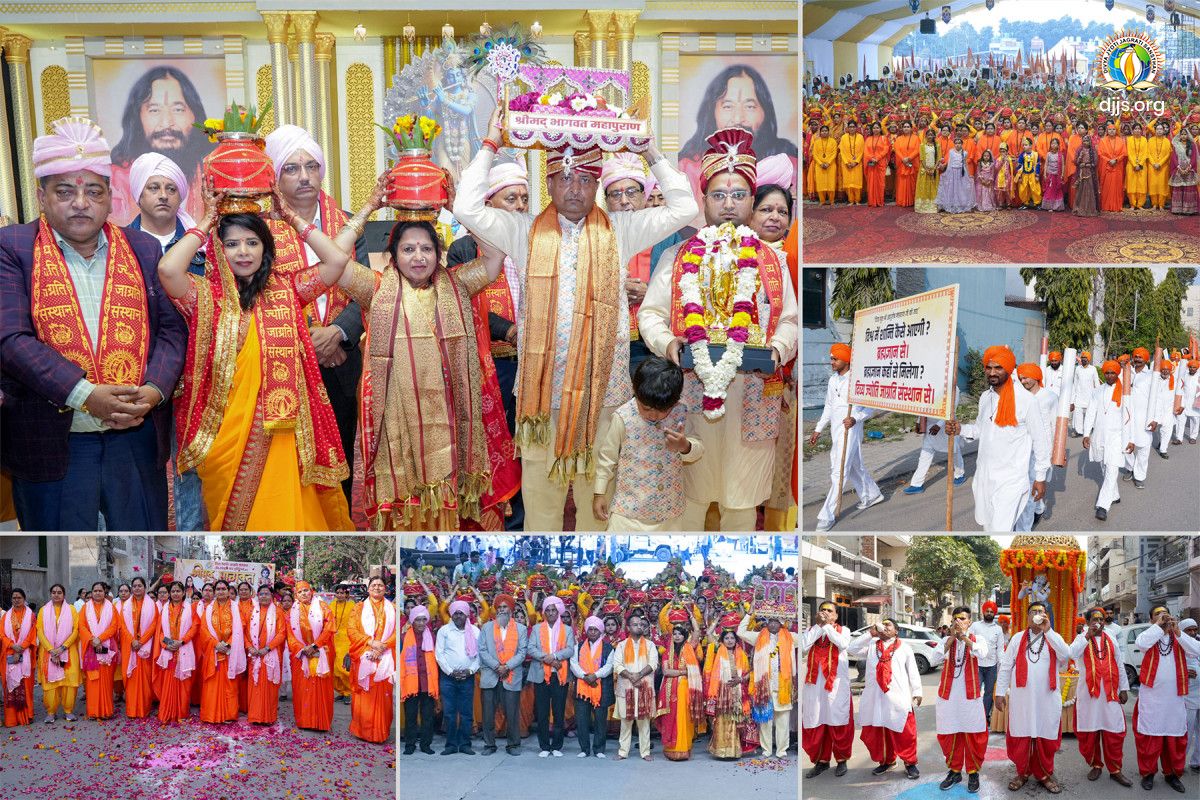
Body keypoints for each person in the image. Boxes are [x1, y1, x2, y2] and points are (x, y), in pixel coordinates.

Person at [454, 108, 698, 532]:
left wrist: (650, 150)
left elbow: (684, 207)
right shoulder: (522, 230)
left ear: (597, 186)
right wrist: (491, 143)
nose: (574, 189)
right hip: (540, 397)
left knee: (597, 507)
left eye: (585, 179)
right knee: (543, 510)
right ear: (548, 182)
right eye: (564, 178)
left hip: (604, 395)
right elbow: (464, 205)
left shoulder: (621, 229)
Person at [0, 117, 187, 531]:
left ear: (109, 197)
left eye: (93, 191)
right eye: (65, 191)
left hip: (135, 440)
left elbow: (172, 331)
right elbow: (10, 340)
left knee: (145, 544)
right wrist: (86, 394)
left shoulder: (142, 248)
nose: (81, 202)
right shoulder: (13, 247)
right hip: (53, 439)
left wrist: (154, 391)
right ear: (42, 197)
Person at [158, 176, 355, 530]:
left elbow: (337, 261)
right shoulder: (206, 296)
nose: (244, 252)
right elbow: (168, 269)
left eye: (252, 242)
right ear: (218, 249)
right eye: (232, 244)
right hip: (224, 433)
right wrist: (206, 221)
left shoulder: (289, 289)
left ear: (266, 248)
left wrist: (290, 215)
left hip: (283, 430)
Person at [638, 127, 796, 531]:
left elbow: (790, 321)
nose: (729, 205)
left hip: (752, 393)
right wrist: (669, 343)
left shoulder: (771, 260)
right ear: (703, 200)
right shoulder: (678, 256)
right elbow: (651, 315)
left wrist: (777, 349)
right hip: (691, 391)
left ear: (751, 200)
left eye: (739, 195)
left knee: (741, 510)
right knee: (690, 506)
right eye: (719, 195)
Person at [334, 200, 516, 530]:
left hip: (452, 415)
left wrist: (457, 205)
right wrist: (369, 207)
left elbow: (495, 256)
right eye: (408, 249)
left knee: (459, 510)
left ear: (438, 253)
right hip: (400, 416)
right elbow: (335, 260)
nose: (418, 257)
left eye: (426, 249)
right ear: (393, 256)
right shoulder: (375, 288)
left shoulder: (458, 284)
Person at [264, 125, 367, 506]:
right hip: (286, 360)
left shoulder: (351, 222)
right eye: (291, 168)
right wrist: (310, 339)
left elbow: (374, 289)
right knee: (289, 460)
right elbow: (263, 294)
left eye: (312, 166)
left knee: (341, 453)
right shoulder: (260, 230)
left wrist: (339, 332)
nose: (305, 176)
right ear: (275, 175)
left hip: (343, 358)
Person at [445, 161, 529, 531]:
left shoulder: (536, 242)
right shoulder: (464, 248)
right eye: (511, 198)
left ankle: (525, 518)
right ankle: (498, 520)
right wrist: (509, 330)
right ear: (490, 203)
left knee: (527, 444)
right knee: (497, 445)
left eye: (525, 198)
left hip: (531, 363)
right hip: (490, 365)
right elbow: (464, 299)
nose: (520, 206)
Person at [944, 346, 1049, 532]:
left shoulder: (1026, 400)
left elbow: (1040, 441)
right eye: (989, 367)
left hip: (1012, 479)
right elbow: (980, 429)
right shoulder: (985, 397)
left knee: (1000, 530)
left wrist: (1040, 477)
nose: (992, 372)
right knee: (989, 528)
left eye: (998, 368)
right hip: (985, 476)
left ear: (1008, 369)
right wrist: (960, 429)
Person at [592, 356, 703, 531]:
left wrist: (685, 446)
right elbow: (607, 457)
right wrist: (599, 492)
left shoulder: (681, 412)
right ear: (636, 393)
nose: (653, 415)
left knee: (668, 556)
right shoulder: (623, 416)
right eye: (646, 408)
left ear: (674, 402)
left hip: (669, 513)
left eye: (662, 410)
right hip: (627, 513)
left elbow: (698, 449)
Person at [109, 66, 213, 224]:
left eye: (178, 109)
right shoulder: (115, 180)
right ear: (138, 118)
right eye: (154, 110)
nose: (166, 123)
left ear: (195, 116)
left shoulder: (211, 175)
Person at [995, 601, 1071, 793]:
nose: (1037, 614)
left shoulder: (1053, 638)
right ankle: (1022, 772)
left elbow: (1066, 656)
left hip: (1047, 698)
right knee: (1022, 735)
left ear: (1046, 616)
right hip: (1023, 700)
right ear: (1027, 617)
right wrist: (999, 693)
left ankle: (1044, 774)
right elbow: (1005, 666)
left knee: (1045, 736)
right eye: (1033, 612)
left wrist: (1049, 631)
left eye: (1041, 612)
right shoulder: (1017, 638)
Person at [811, 343, 882, 530]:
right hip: (836, 430)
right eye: (831, 358)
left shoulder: (857, 381)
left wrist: (856, 418)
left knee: (839, 470)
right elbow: (828, 406)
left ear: (846, 360)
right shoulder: (833, 380)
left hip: (851, 429)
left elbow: (870, 407)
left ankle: (827, 515)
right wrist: (818, 428)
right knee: (853, 466)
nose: (832, 361)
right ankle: (872, 494)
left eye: (835, 358)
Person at [1133, 605, 1200, 792]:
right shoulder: (1149, 635)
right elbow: (1141, 644)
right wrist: (1159, 626)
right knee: (1150, 738)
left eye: (1165, 614)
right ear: (1151, 619)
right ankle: (1148, 774)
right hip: (1152, 698)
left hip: (1174, 699)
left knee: (1174, 738)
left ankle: (1172, 774)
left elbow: (1196, 650)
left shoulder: (1179, 638)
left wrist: (1178, 631)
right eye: (1157, 615)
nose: (1162, 617)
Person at [848, 619, 921, 780]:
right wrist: (869, 634)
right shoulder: (872, 645)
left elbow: (913, 671)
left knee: (904, 732)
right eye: (883, 624)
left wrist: (917, 691)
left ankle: (910, 763)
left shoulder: (905, 648)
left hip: (897, 697)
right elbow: (852, 648)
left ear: (896, 631)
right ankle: (887, 761)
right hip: (875, 697)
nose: (884, 626)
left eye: (889, 625)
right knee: (878, 732)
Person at [1068, 607, 1132, 786]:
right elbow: (1071, 654)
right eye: (1094, 619)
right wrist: (1087, 635)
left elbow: (1119, 663)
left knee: (1114, 731)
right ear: (1088, 622)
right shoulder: (1081, 638)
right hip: (1089, 695)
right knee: (1090, 732)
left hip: (1110, 694)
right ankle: (1096, 764)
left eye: (1101, 619)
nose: (1099, 622)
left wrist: (1124, 688)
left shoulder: (1111, 638)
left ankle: (1115, 770)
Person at [934, 607, 988, 793]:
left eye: (962, 618)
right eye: (955, 618)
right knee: (950, 734)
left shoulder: (976, 639)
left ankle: (973, 773)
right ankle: (954, 771)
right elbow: (935, 658)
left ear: (969, 621)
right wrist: (951, 638)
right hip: (948, 698)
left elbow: (983, 653)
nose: (958, 621)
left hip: (969, 698)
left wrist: (964, 637)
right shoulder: (945, 640)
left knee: (973, 735)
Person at [739, 612, 796, 760]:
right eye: (770, 621)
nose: (773, 624)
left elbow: (807, 639)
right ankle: (766, 750)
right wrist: (749, 614)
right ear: (766, 622)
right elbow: (741, 632)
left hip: (783, 685)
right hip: (764, 686)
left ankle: (782, 751)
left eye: (776, 621)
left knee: (783, 721)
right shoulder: (758, 637)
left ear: (781, 623)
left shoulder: (791, 637)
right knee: (765, 721)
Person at [347, 577, 396, 744]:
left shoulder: (393, 609)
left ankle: (380, 732)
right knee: (364, 696)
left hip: (385, 656)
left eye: (380, 585)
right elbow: (351, 630)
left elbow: (397, 631)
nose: (377, 587)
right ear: (368, 589)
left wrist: (383, 646)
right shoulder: (358, 608)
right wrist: (370, 643)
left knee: (384, 696)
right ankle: (362, 731)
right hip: (364, 655)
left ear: (385, 589)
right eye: (373, 585)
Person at [479, 594, 528, 755]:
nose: (501, 610)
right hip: (490, 676)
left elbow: (522, 653)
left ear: (511, 610)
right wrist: (496, 666)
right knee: (488, 713)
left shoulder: (520, 629)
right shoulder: (487, 627)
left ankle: (513, 745)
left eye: (505, 607)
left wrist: (506, 666)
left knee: (512, 712)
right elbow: (483, 650)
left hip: (511, 675)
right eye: (499, 608)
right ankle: (489, 745)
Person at [528, 595, 574, 757]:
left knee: (559, 710)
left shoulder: (567, 630)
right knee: (542, 711)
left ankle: (556, 746)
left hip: (559, 675)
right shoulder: (537, 628)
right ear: (544, 613)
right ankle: (544, 746)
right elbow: (531, 649)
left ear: (559, 612)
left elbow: (570, 650)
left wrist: (554, 657)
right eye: (548, 610)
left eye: (554, 610)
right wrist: (548, 659)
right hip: (541, 674)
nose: (551, 613)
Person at [287, 580, 334, 732]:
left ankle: (321, 722)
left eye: (306, 590)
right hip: (302, 655)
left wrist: (315, 646)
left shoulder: (323, 607)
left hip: (320, 653)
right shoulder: (291, 612)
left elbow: (329, 628)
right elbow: (290, 635)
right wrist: (303, 649)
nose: (304, 594)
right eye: (300, 592)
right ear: (296, 595)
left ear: (312, 591)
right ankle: (305, 721)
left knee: (320, 688)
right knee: (302, 688)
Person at [1015, 363, 1057, 530]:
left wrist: (1056, 451)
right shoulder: (1020, 397)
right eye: (1021, 378)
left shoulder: (1050, 397)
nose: (1023, 381)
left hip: (1042, 449)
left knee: (1032, 485)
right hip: (1022, 447)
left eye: (1025, 377)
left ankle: (1025, 526)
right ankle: (1038, 508)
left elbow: (1055, 425)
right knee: (1024, 486)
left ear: (1036, 376)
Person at [436, 599, 481, 755]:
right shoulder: (444, 631)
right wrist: (450, 671)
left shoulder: (475, 631)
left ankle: (465, 744)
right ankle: (450, 745)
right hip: (448, 678)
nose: (458, 616)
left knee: (466, 712)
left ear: (467, 614)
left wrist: (470, 671)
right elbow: (439, 654)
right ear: (451, 614)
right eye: (455, 613)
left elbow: (479, 656)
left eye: (461, 613)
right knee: (449, 712)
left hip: (467, 677)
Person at [903, 388, 965, 495]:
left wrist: (939, 425)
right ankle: (917, 484)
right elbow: (923, 405)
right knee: (925, 454)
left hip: (947, 425)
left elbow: (952, 409)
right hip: (929, 426)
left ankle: (960, 474)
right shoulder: (931, 384)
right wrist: (918, 422)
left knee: (954, 451)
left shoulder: (954, 387)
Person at [705, 615, 751, 759]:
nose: (730, 640)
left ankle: (733, 751)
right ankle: (721, 750)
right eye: (727, 638)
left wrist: (741, 679)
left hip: (737, 691)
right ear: (722, 640)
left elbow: (749, 673)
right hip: (722, 690)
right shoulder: (718, 649)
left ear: (736, 640)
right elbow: (708, 633)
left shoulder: (742, 654)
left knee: (735, 720)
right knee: (722, 720)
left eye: (732, 638)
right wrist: (717, 620)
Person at [198, 579, 243, 723]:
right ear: (214, 591)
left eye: (223, 589)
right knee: (212, 684)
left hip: (231, 653)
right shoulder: (209, 609)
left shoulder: (236, 608)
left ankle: (229, 714)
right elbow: (204, 630)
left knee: (230, 684)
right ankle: (211, 714)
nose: (221, 591)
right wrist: (216, 644)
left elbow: (240, 628)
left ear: (228, 591)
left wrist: (228, 645)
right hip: (214, 652)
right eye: (218, 589)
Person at [573, 615, 616, 758]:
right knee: (582, 719)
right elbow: (573, 664)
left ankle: (599, 749)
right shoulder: (578, 647)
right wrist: (585, 676)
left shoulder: (608, 647)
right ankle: (584, 749)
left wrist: (595, 675)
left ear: (600, 631)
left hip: (601, 687)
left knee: (600, 720)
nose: (592, 632)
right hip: (582, 687)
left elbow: (610, 666)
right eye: (590, 629)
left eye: (595, 630)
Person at [155, 580, 196, 723]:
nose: (175, 593)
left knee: (183, 684)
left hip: (184, 648)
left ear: (184, 593)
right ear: (169, 594)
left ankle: (181, 714)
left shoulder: (190, 608)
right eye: (173, 591)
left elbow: (194, 628)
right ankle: (168, 713)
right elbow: (159, 632)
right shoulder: (164, 609)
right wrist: (168, 644)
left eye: (178, 591)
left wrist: (182, 641)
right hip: (169, 651)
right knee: (168, 683)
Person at [118, 576, 158, 718]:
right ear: (131, 588)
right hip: (130, 647)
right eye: (134, 586)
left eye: (139, 586)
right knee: (130, 679)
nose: (136, 588)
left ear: (145, 588)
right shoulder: (125, 606)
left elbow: (154, 625)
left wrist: (142, 641)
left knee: (145, 679)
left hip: (145, 647)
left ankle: (144, 709)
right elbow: (122, 626)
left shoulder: (152, 605)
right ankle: (132, 710)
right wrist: (132, 641)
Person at [400, 605, 438, 755]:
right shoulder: (404, 638)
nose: (421, 623)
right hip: (411, 682)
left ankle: (426, 744)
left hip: (428, 682)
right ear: (412, 621)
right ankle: (410, 745)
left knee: (428, 716)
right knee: (411, 716)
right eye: (418, 620)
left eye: (424, 620)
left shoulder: (432, 637)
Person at [245, 584, 285, 725]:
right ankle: (255, 716)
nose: (264, 596)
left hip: (270, 654)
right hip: (254, 654)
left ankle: (268, 717)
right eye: (261, 594)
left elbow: (282, 633)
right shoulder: (251, 611)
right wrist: (249, 647)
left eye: (267, 594)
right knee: (255, 685)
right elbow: (244, 632)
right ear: (257, 595)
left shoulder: (278, 612)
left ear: (272, 596)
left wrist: (267, 648)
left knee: (269, 686)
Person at [79, 581, 119, 720]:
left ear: (104, 592)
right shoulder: (85, 608)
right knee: (93, 680)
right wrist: (92, 640)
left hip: (106, 648)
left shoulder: (111, 608)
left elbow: (114, 626)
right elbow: (81, 626)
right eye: (95, 591)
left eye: (100, 591)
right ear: (91, 593)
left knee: (107, 681)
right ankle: (93, 711)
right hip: (91, 648)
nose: (97, 593)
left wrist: (100, 639)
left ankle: (107, 711)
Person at [1, 589, 36, 727]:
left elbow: (33, 634)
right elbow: (2, 635)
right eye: (14, 597)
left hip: (25, 654)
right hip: (9, 654)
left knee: (26, 686)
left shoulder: (31, 616)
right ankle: (11, 719)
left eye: (19, 597)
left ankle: (27, 716)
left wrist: (21, 647)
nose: (16, 600)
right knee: (10, 687)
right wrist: (12, 645)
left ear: (24, 599)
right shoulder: (5, 617)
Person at [1122, 347, 1155, 489]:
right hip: (1126, 416)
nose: (1137, 359)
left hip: (1144, 417)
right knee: (1124, 445)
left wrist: (1155, 418)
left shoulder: (1152, 375)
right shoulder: (1127, 371)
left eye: (1140, 357)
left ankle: (1140, 476)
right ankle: (1130, 467)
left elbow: (1156, 398)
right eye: (1135, 356)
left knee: (1143, 448)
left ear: (1146, 359)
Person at [968, 601, 1004, 721]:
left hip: (992, 666)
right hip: (976, 664)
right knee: (975, 691)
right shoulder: (975, 626)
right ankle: (973, 715)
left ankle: (984, 716)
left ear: (994, 613)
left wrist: (1001, 667)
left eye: (991, 611)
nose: (989, 613)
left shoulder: (998, 629)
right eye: (987, 611)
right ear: (983, 612)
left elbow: (1000, 649)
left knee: (988, 692)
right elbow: (968, 643)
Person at [935, 135, 974, 213]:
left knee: (961, 188)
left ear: (962, 144)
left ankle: (961, 204)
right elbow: (950, 163)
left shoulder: (965, 153)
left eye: (959, 143)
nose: (957, 144)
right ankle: (951, 204)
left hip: (961, 173)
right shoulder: (951, 152)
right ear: (954, 144)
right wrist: (947, 173)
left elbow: (965, 164)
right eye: (956, 143)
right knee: (952, 188)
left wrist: (968, 174)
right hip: (952, 172)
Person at [1180, 618, 1199, 774]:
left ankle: (1197, 762)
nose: (1193, 633)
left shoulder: (1198, 644)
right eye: (1189, 630)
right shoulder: (1178, 647)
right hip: (1188, 697)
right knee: (1186, 732)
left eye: (1195, 629)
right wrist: (1183, 673)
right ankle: (1178, 763)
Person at [330, 584, 354, 705]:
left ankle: (348, 692)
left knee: (342, 667)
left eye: (342, 593)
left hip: (346, 639)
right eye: (337, 593)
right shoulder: (331, 605)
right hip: (333, 638)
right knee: (333, 668)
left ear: (346, 594)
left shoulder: (352, 606)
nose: (339, 595)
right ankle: (341, 691)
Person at [1168, 126, 1198, 215]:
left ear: (1188, 135)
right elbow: (1173, 158)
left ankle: (1188, 210)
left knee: (1188, 189)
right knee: (1178, 189)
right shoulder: (1176, 145)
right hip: (1179, 170)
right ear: (1179, 136)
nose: (1184, 136)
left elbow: (1194, 158)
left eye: (1185, 134)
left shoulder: (1192, 145)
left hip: (1189, 170)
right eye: (1182, 134)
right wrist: (1179, 168)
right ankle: (1177, 209)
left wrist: (1189, 168)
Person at [1097, 123, 1127, 212]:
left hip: (1117, 166)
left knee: (1117, 186)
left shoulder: (1121, 140)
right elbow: (1100, 154)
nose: (1112, 131)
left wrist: (1116, 160)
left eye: (1113, 129)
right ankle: (1106, 205)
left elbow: (1123, 153)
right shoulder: (1103, 141)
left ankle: (1116, 206)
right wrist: (1109, 160)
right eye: (1110, 130)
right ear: (1107, 131)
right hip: (1107, 167)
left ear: (1116, 131)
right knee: (1106, 187)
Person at [892, 120, 921, 208]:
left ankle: (912, 200)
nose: (906, 128)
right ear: (902, 128)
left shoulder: (916, 138)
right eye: (904, 127)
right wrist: (903, 159)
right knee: (902, 182)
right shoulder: (899, 139)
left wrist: (909, 158)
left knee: (912, 182)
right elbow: (897, 150)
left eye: (908, 127)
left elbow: (917, 150)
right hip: (902, 164)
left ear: (911, 128)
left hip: (912, 163)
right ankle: (902, 200)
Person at [1154, 360, 1179, 459]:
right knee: (1154, 429)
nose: (1165, 371)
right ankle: (1160, 441)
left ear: (1170, 371)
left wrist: (1180, 406)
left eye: (1167, 370)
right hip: (1155, 409)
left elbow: (1180, 394)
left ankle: (1163, 449)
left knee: (1167, 430)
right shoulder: (1154, 379)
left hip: (1168, 409)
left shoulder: (1175, 381)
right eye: (1163, 369)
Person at [837, 121, 865, 205]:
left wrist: (856, 162)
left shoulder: (860, 137)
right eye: (850, 127)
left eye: (853, 127)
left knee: (857, 182)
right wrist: (846, 162)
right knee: (848, 183)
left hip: (857, 163)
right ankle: (851, 200)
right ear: (848, 128)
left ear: (856, 128)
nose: (852, 128)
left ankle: (857, 200)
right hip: (847, 164)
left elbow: (862, 151)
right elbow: (842, 151)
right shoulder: (844, 137)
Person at [1072, 134, 1101, 217]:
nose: (1085, 142)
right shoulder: (1079, 150)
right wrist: (1080, 160)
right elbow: (1075, 162)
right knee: (1080, 190)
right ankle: (1079, 208)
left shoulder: (1093, 150)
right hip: (1081, 172)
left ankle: (1090, 210)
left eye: (1087, 140)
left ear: (1090, 141)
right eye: (1084, 140)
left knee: (1089, 189)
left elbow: (1095, 162)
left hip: (1090, 173)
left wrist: (1089, 165)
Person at [1147, 120, 1172, 210]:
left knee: (1162, 185)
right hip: (1152, 166)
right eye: (1157, 129)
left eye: (1161, 129)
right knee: (1153, 184)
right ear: (1155, 130)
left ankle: (1161, 204)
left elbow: (1168, 154)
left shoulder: (1167, 141)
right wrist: (1154, 163)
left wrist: (1160, 164)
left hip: (1163, 167)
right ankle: (1154, 204)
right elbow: (1148, 153)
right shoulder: (1150, 140)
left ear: (1164, 131)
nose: (1159, 131)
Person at [864, 122, 890, 207]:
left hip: (880, 163)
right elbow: (866, 151)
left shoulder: (884, 138)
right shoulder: (868, 139)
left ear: (880, 129)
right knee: (871, 183)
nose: (876, 129)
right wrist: (872, 158)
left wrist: (877, 158)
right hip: (871, 163)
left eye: (877, 128)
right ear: (872, 129)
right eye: (874, 128)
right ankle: (872, 201)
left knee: (880, 183)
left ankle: (880, 201)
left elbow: (886, 149)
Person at [914, 128, 941, 214]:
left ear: (934, 136)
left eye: (931, 134)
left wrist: (933, 169)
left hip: (934, 171)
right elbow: (921, 159)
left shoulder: (937, 146)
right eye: (928, 134)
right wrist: (926, 169)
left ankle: (933, 206)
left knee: (933, 188)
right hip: (924, 170)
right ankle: (922, 207)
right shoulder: (922, 145)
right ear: (926, 136)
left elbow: (938, 158)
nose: (930, 136)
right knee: (923, 187)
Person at [812, 124, 839, 205]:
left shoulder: (833, 141)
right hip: (819, 166)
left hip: (830, 165)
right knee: (821, 183)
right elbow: (815, 154)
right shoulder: (817, 142)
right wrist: (821, 163)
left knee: (831, 183)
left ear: (828, 132)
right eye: (823, 131)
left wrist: (828, 163)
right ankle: (822, 200)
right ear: (820, 132)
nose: (824, 132)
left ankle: (831, 200)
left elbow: (834, 153)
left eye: (826, 131)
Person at [1125, 121, 1149, 209]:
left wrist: (1140, 164)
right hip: (1131, 165)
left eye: (1139, 129)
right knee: (1131, 185)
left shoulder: (1144, 139)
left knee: (1141, 185)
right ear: (1133, 130)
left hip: (1142, 166)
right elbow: (1129, 153)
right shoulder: (1129, 139)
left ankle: (1140, 204)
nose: (1137, 130)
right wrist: (1135, 164)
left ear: (1141, 130)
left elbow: (1145, 153)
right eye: (1135, 129)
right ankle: (1132, 204)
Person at [1040, 138, 1067, 212]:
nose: (1053, 145)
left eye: (1055, 143)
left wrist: (1062, 174)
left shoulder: (1060, 155)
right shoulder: (1048, 154)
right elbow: (1046, 164)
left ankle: (1057, 206)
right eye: (1052, 143)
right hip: (1050, 174)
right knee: (1049, 190)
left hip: (1057, 175)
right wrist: (1045, 174)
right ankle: (1049, 206)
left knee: (1057, 190)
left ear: (1058, 145)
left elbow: (1063, 165)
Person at [1014, 138, 1042, 209]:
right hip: (1024, 174)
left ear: (1031, 146)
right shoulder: (1022, 155)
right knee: (1023, 189)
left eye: (1026, 145)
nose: (1024, 146)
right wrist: (1019, 177)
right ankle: (1025, 203)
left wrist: (1037, 175)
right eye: (1023, 145)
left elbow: (1038, 165)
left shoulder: (1035, 154)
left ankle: (1037, 204)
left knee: (1035, 188)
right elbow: (1019, 166)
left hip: (1033, 174)